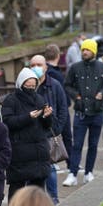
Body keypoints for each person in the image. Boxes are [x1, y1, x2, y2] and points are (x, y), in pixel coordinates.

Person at [63, 38, 103, 186]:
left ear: (93, 51)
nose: (85, 52)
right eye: (83, 49)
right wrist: (76, 96)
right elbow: (67, 85)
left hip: (97, 112)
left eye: (88, 50)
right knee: (77, 145)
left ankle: (88, 172)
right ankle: (72, 173)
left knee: (93, 144)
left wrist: (102, 94)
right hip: (80, 112)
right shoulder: (75, 67)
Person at [2, 68, 53, 199]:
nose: (30, 88)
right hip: (20, 154)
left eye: (33, 86)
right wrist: (27, 117)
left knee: (38, 191)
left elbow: (48, 126)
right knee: (17, 190)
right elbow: (7, 122)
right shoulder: (11, 100)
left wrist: (47, 116)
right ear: (21, 84)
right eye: (27, 85)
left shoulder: (40, 99)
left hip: (39, 153)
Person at [30, 54, 68, 204]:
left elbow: (63, 108)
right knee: (34, 168)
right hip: (32, 135)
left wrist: (57, 128)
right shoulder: (27, 86)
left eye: (39, 64)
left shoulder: (55, 85)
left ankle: (53, 198)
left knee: (50, 166)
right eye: (33, 65)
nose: (36, 68)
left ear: (46, 67)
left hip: (49, 132)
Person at [44, 43, 73, 171]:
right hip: (58, 109)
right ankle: (70, 163)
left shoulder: (54, 71)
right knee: (64, 137)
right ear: (58, 55)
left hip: (60, 107)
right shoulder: (52, 72)